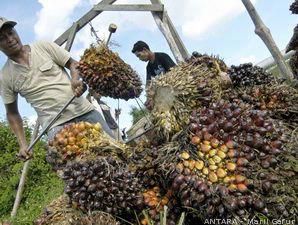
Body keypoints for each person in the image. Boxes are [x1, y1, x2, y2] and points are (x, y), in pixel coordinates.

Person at [0, 17, 115, 160]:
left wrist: (74, 81)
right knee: (80, 172)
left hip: (84, 112)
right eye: (2, 38)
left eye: (11, 33)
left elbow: (74, 64)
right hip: (57, 127)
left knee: (115, 153)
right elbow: (12, 114)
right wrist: (22, 144)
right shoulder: (5, 76)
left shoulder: (43, 47)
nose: (10, 39)